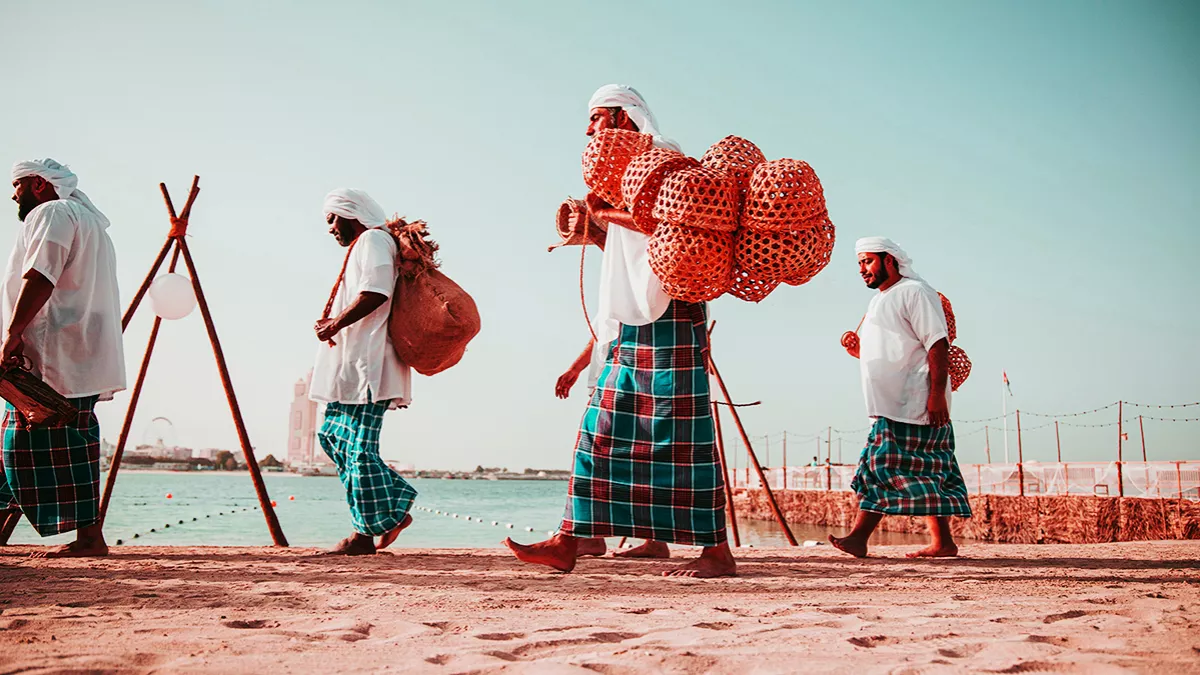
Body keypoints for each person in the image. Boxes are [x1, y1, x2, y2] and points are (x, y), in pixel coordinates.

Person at [507, 85, 734, 578]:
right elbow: (636, 245)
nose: (590, 130)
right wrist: (597, 227)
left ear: (623, 117)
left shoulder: (665, 154)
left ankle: (717, 553)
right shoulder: (620, 175)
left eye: (596, 118)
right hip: (634, 321)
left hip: (672, 311)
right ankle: (573, 538)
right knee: (604, 432)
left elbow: (674, 219)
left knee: (681, 436)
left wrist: (601, 214)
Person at [1, 159, 125, 558]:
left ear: (39, 184)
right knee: (60, 443)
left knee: (21, 443)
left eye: (18, 185)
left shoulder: (52, 212)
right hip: (78, 355)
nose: (13, 194)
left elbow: (40, 275)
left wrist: (13, 333)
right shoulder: (89, 221)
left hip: (54, 354)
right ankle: (85, 538)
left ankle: (90, 539)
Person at [829, 237, 971, 559]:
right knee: (933, 469)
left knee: (880, 466)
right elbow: (892, 353)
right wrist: (858, 352)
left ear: (890, 261)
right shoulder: (878, 302)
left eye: (868, 261)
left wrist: (936, 395)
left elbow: (937, 343)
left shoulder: (916, 292)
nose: (862, 269)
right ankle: (943, 543)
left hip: (915, 400)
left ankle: (858, 537)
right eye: (860, 264)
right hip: (888, 402)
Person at [311, 188, 416, 555]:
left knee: (358, 450)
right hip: (351, 367)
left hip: (370, 364)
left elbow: (376, 292)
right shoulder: (365, 246)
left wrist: (334, 325)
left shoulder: (373, 240)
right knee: (332, 437)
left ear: (350, 213)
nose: (329, 229)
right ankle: (395, 505)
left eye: (331, 219)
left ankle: (364, 534)